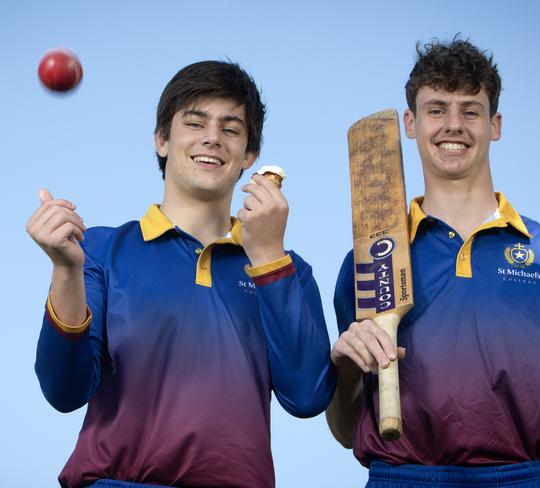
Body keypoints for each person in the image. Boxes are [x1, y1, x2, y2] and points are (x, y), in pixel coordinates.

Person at [27, 60, 335, 488]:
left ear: (250, 155)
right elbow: (64, 391)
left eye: (231, 128)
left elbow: (306, 397)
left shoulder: (289, 270)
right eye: (194, 122)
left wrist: (267, 256)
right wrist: (65, 269)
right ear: (162, 140)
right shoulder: (99, 250)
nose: (212, 137)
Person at [326, 37, 540, 487]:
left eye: (470, 110)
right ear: (411, 122)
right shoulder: (371, 256)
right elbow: (346, 432)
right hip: (401, 478)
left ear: (494, 124)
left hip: (520, 476)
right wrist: (344, 368)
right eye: (437, 109)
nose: (453, 125)